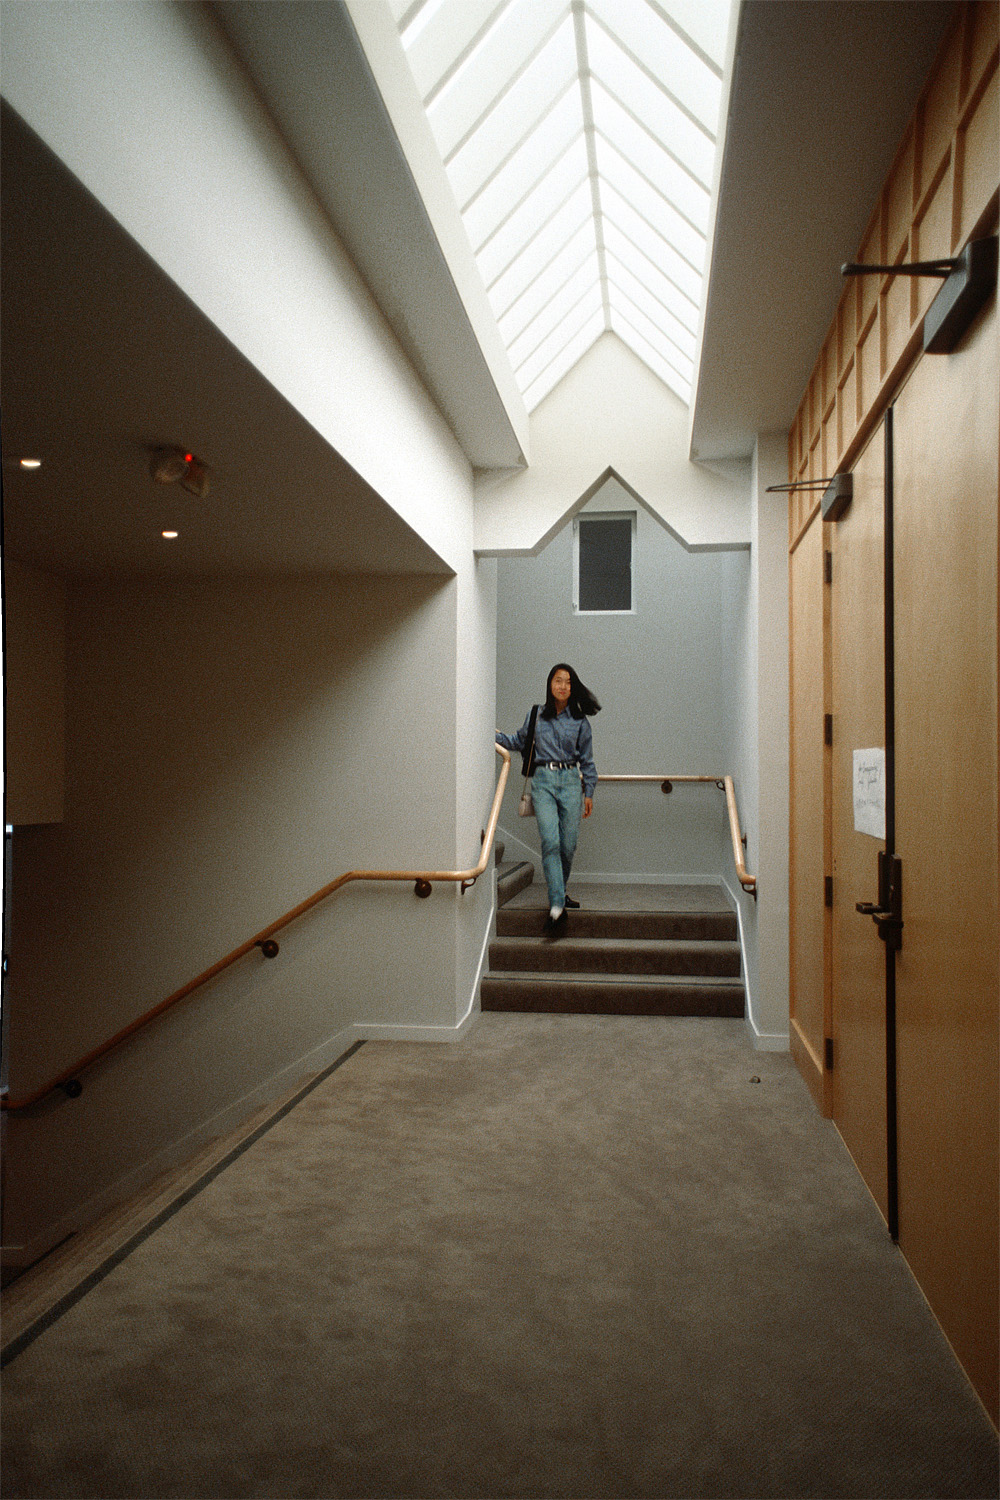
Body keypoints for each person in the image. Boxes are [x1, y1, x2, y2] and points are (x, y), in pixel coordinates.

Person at [496, 664, 600, 935]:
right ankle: (556, 907)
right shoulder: (536, 715)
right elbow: (517, 740)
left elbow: (587, 761)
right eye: (558, 680)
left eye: (567, 682)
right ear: (550, 684)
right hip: (542, 782)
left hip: (569, 783)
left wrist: (589, 791)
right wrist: (488, 734)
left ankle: (559, 892)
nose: (562, 686)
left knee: (568, 845)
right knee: (551, 842)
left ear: (572, 686)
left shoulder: (580, 722)